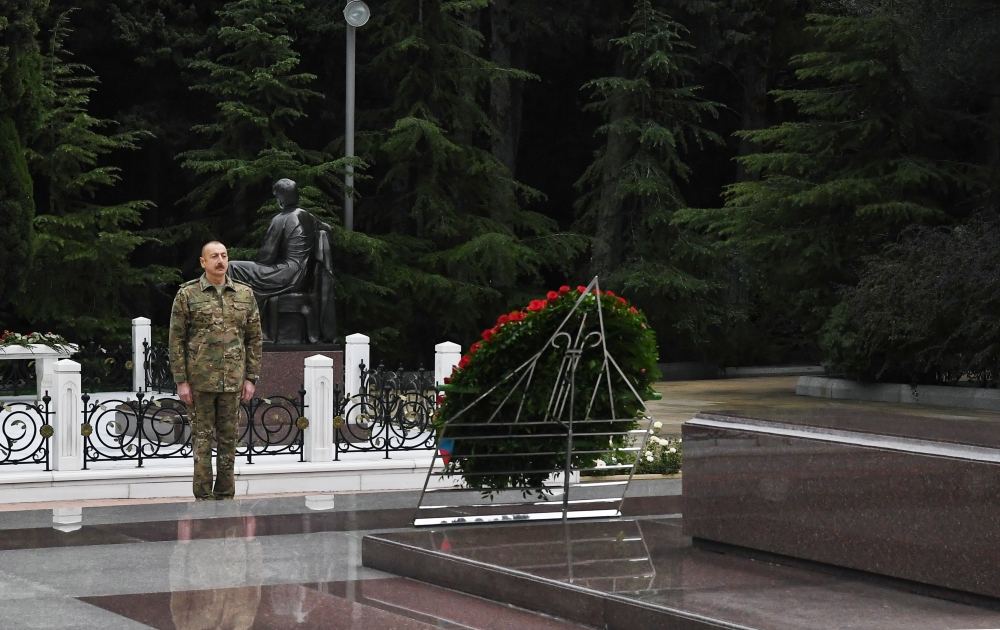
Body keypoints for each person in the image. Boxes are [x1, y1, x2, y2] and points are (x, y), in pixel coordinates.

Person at [169, 241, 263, 500]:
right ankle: (202, 496)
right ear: (203, 262)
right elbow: (176, 340)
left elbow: (254, 338)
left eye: (224, 256)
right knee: (202, 440)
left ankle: (224, 495)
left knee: (229, 441)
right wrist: (181, 381)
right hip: (200, 381)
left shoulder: (244, 294)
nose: (220, 261)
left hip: (233, 380)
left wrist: (251, 378)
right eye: (214, 257)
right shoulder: (188, 295)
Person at [228, 178, 318, 299]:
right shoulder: (309, 216)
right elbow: (327, 228)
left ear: (281, 198)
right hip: (304, 275)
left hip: (287, 274)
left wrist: (258, 260)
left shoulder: (281, 218)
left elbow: (266, 257)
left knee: (232, 267)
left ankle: (240, 311)